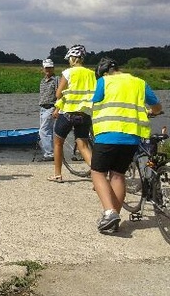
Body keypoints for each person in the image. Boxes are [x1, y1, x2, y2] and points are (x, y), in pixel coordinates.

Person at [90, 57, 162, 233]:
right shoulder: (139, 82)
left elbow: (95, 103)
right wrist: (150, 112)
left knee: (98, 173)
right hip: (131, 137)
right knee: (118, 175)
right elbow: (157, 106)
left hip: (107, 134)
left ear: (104, 71)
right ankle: (114, 219)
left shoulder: (103, 81)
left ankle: (109, 212)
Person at [49, 45, 96, 182]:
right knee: (83, 145)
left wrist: (58, 106)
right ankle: (98, 174)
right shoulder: (91, 74)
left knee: (58, 143)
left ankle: (57, 174)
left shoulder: (68, 73)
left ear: (72, 58)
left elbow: (58, 94)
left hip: (68, 113)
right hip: (85, 114)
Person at [37, 59, 59, 161]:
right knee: (47, 131)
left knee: (43, 131)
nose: (48, 70)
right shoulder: (43, 81)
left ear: (53, 68)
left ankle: (49, 154)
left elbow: (60, 95)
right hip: (42, 108)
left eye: (50, 67)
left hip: (50, 108)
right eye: (46, 68)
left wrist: (56, 109)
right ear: (43, 69)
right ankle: (50, 152)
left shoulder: (56, 80)